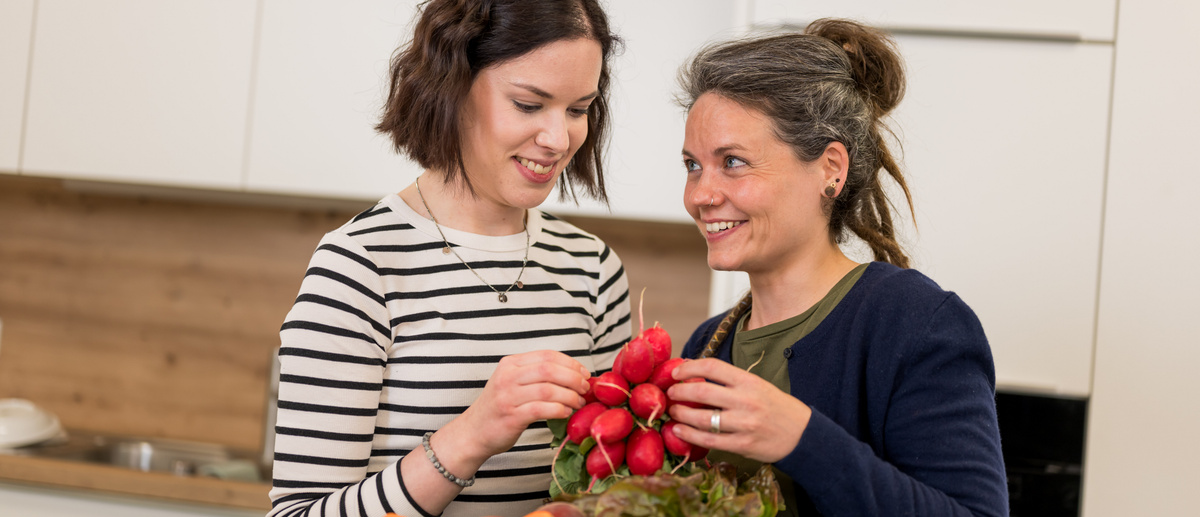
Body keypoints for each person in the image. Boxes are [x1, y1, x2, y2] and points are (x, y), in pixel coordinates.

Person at [267, 2, 630, 516]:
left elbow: (620, 489)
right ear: (452, 87)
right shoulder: (361, 267)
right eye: (529, 104)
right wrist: (472, 434)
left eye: (577, 109)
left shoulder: (593, 269)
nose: (557, 139)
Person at [663, 20, 1009, 516]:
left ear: (830, 169)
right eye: (692, 165)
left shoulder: (915, 322)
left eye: (733, 161)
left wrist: (800, 438)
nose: (700, 195)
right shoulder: (709, 344)